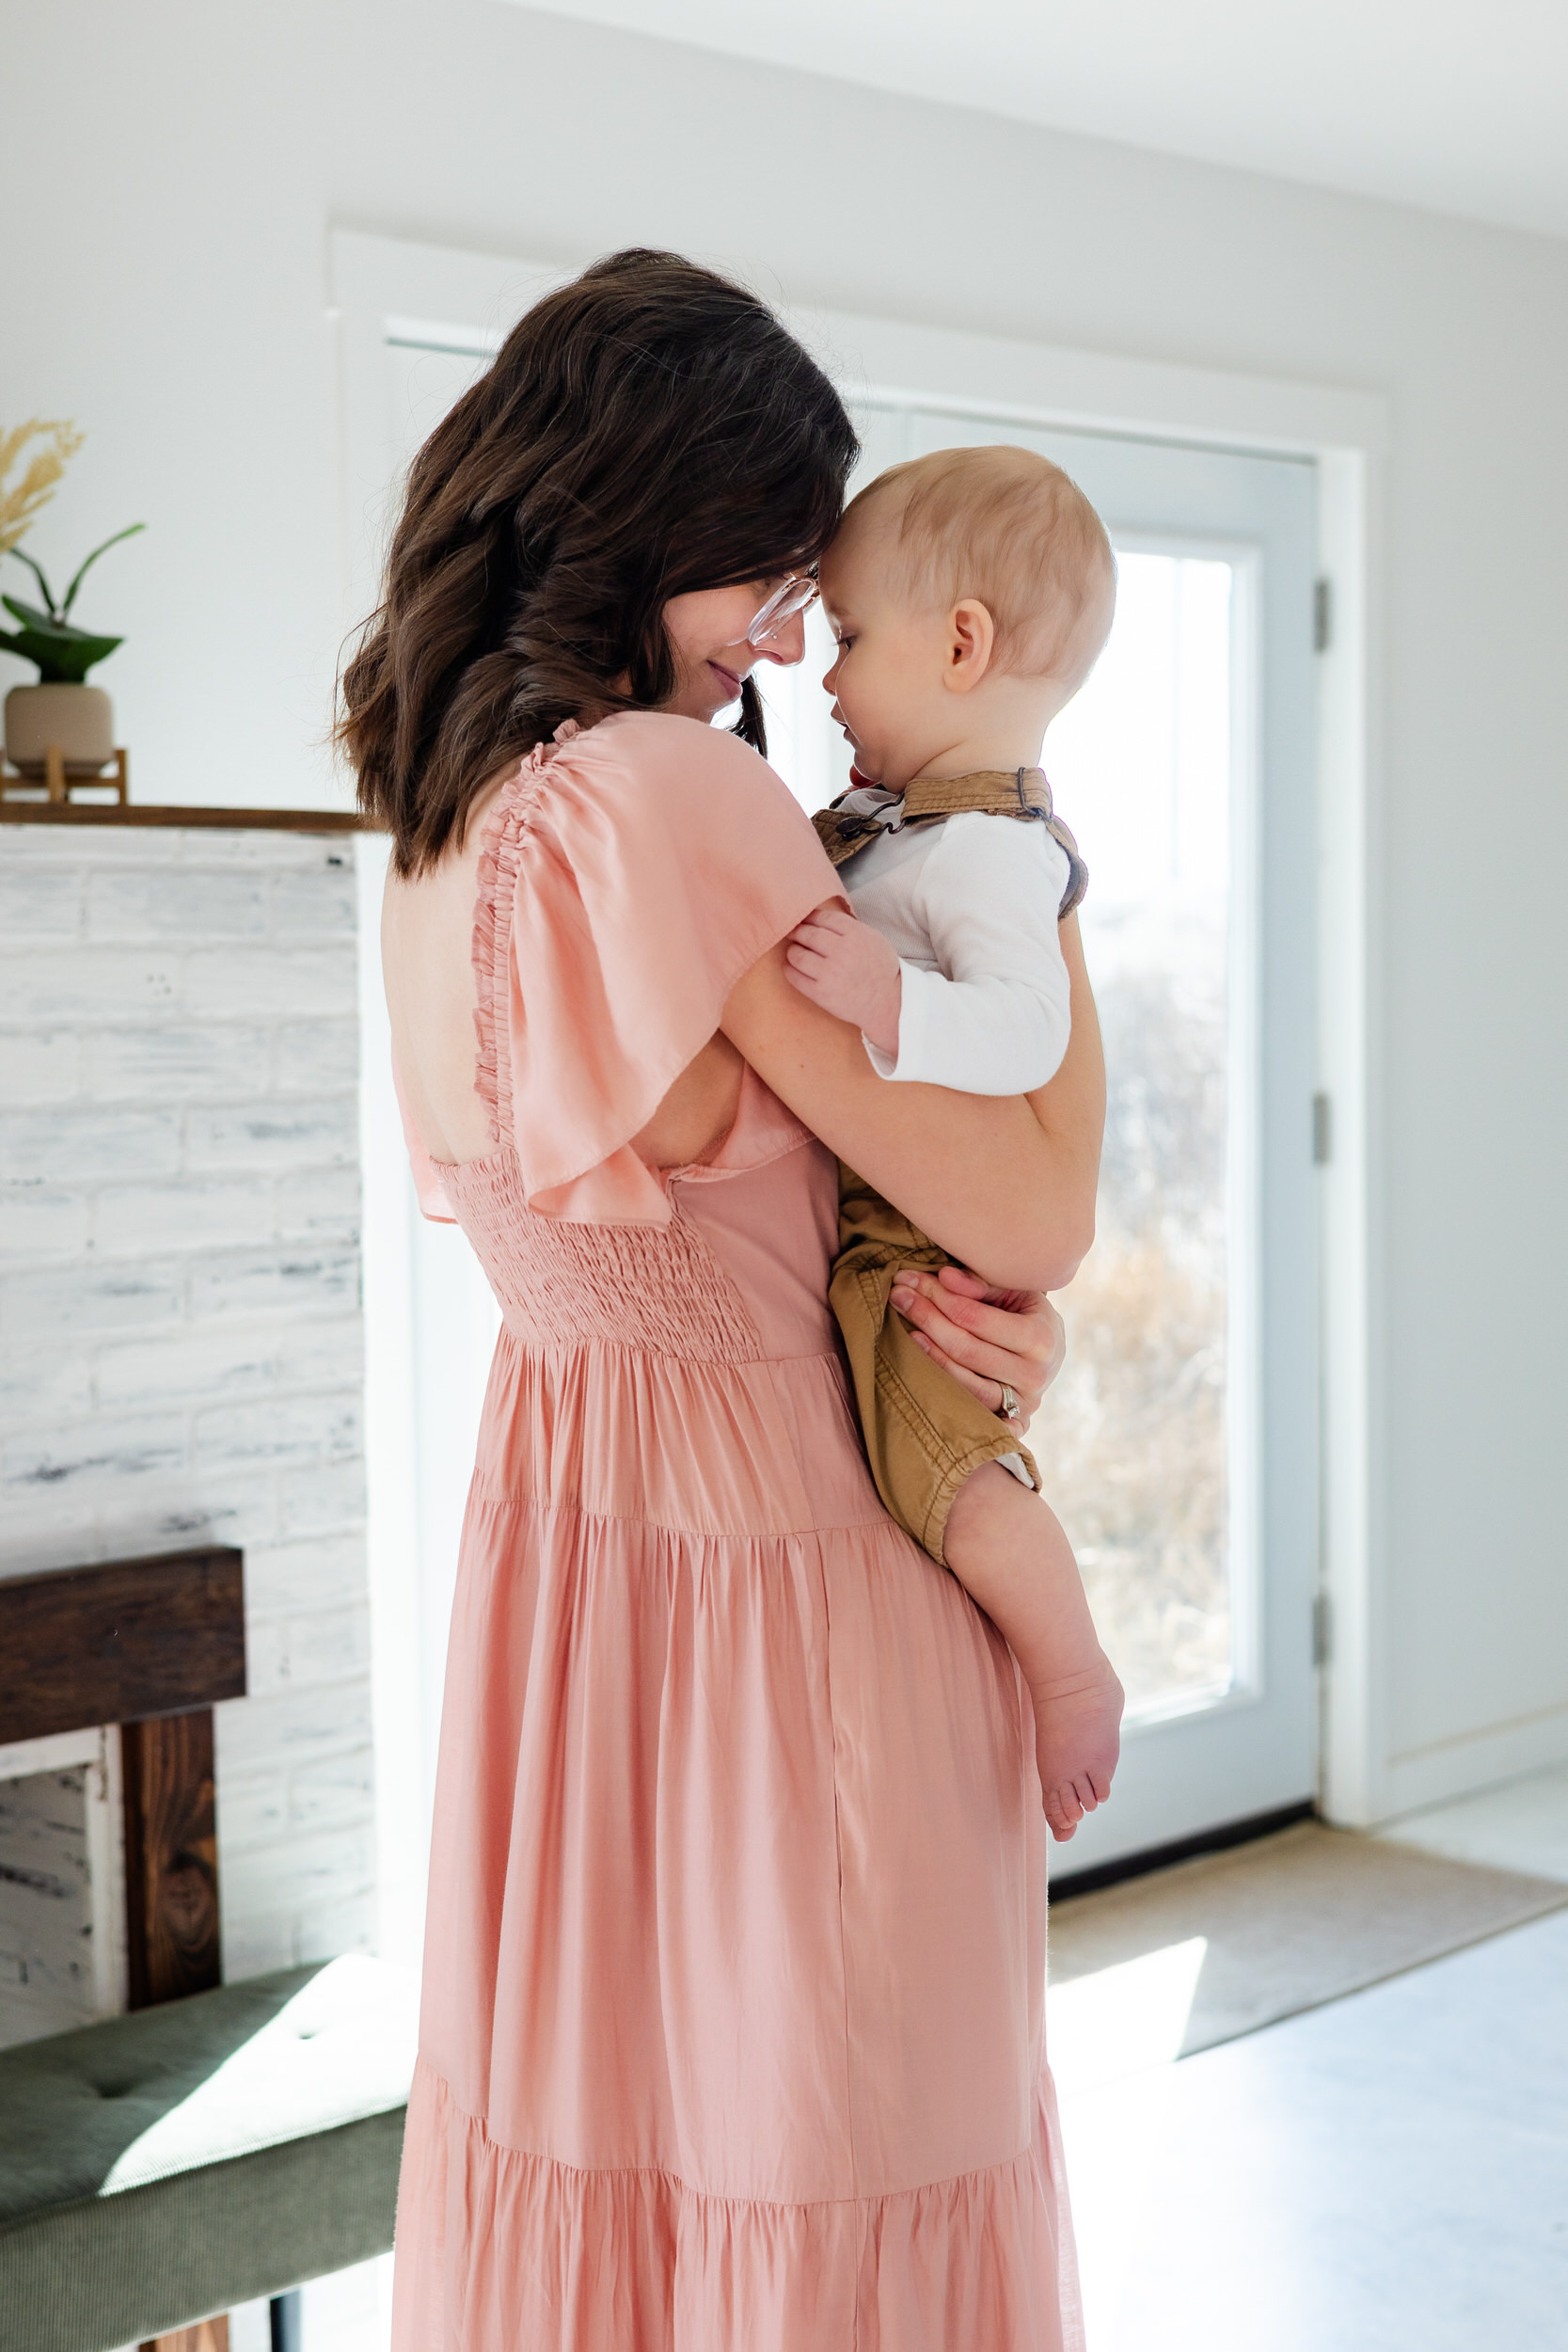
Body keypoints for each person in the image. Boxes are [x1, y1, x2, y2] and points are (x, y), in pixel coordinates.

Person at [341, 248, 1105, 2350]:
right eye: (768, 577)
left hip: (573, 1569)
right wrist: (1025, 818)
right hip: (789, 1583)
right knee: (832, 2171)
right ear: (641, 517)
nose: (783, 638)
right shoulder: (670, 795)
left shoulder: (432, 820)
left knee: (623, 2185)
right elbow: (1032, 1202)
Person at [784, 445, 1125, 1844]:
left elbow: (1027, 1034)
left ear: (963, 644)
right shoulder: (917, 832)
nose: (822, 674)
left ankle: (1072, 1670)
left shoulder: (989, 848)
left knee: (949, 1471)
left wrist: (890, 1003)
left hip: (918, 1240)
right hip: (908, 1196)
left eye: (849, 636)